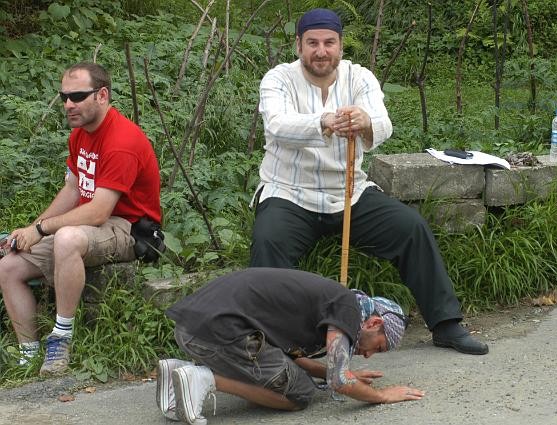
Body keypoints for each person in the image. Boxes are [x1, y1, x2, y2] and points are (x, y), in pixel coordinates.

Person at [250, 8, 488, 356]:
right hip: (290, 193)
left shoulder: (358, 77)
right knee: (267, 241)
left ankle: (446, 324)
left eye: (329, 42)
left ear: (341, 46)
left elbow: (384, 124)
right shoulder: (278, 79)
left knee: (411, 228)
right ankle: (268, 342)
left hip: (350, 192)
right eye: (312, 42)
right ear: (298, 45)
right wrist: (325, 121)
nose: (321, 51)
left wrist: (365, 120)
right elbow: (277, 125)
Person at [0, 62, 162, 376]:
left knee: (66, 237)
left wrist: (41, 229)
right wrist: (29, 231)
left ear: (102, 95)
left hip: (130, 228)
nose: (68, 104)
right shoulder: (80, 134)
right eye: (64, 97)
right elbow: (74, 189)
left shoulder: (122, 140)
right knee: (8, 266)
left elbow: (100, 211)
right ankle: (28, 354)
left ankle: (61, 339)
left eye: (77, 96)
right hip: (90, 224)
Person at [157, 268, 424, 424]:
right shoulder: (349, 309)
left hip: (192, 330)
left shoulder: (331, 302)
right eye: (378, 347)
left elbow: (289, 358)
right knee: (299, 394)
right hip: (218, 334)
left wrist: (328, 371)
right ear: (373, 322)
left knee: (293, 377)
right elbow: (340, 380)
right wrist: (382, 396)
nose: (367, 355)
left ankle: (176, 374)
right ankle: (204, 378)